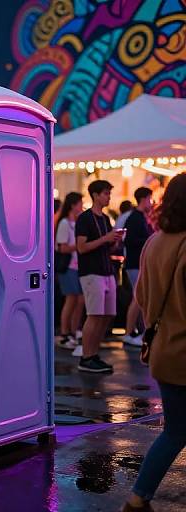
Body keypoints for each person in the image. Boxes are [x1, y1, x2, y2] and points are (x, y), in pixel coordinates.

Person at [122, 173, 186, 512]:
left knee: (175, 430)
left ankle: (137, 497)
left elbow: (142, 297)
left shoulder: (155, 242)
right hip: (183, 350)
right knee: (176, 431)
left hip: (163, 350)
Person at [75, 180, 124, 373]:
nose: (108, 197)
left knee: (107, 315)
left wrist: (114, 241)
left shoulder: (104, 219)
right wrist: (105, 239)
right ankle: (86, 357)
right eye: (105, 193)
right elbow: (81, 247)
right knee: (94, 315)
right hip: (91, 271)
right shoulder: (84, 218)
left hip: (106, 270)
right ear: (95, 195)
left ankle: (93, 354)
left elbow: (105, 245)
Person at [123, 187, 154, 348]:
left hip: (139, 263)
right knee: (137, 297)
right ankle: (128, 333)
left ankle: (138, 331)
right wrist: (149, 241)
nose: (151, 202)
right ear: (143, 199)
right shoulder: (135, 218)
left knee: (140, 298)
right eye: (150, 198)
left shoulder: (140, 217)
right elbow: (129, 241)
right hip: (135, 263)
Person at [55, 192, 84, 350]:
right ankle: (66, 332)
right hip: (68, 267)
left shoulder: (76, 222)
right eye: (80, 203)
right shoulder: (65, 223)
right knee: (71, 299)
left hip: (77, 266)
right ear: (73, 205)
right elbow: (62, 247)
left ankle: (74, 330)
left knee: (79, 300)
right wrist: (79, 246)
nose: (81, 206)